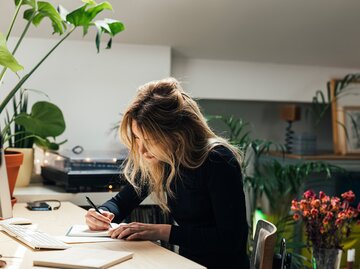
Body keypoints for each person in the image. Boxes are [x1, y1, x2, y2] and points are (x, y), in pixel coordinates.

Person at [85, 78, 249, 269]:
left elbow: (230, 241)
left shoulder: (218, 160)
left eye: (149, 140)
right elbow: (122, 202)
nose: (141, 150)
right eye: (137, 138)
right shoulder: (164, 159)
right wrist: (104, 214)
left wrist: (162, 231)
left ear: (177, 135)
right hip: (186, 263)